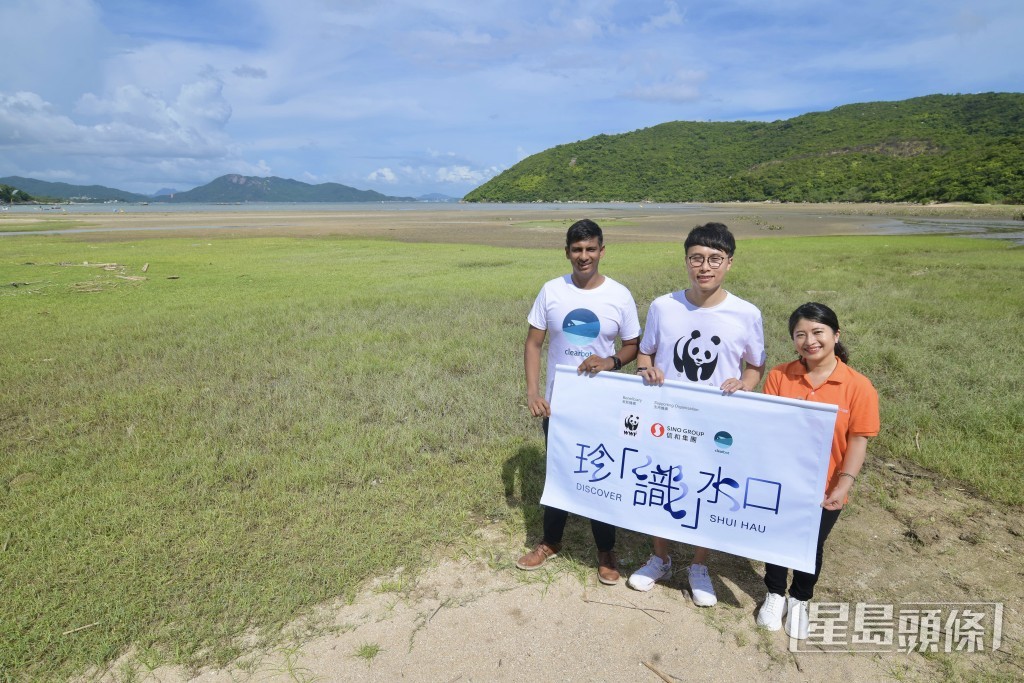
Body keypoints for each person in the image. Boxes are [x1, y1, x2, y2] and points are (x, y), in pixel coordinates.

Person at [626, 222, 766, 607]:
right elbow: (646, 351)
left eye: (714, 259)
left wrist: (745, 386)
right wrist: (644, 370)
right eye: (697, 259)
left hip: (717, 424)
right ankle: (661, 557)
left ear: (729, 263)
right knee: (660, 480)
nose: (705, 267)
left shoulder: (746, 313)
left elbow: (755, 365)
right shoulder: (662, 306)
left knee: (709, 487)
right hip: (666, 416)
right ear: (686, 261)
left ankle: (699, 565)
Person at [517, 219, 641, 585]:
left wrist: (611, 361)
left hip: (601, 405)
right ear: (567, 252)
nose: (583, 256)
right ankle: (550, 543)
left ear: (602, 251)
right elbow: (533, 344)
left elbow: (633, 345)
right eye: (576, 250)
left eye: (590, 249)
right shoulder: (552, 291)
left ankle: (605, 550)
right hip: (559, 404)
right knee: (559, 472)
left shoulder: (619, 295)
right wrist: (533, 392)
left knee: (602, 471)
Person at [755, 302, 880, 638]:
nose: (809, 340)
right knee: (776, 538)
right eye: (800, 334)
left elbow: (858, 441)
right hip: (780, 481)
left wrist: (844, 485)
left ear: (835, 335)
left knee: (812, 544)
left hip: (826, 487)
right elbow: (768, 427)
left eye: (817, 332)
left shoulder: (858, 386)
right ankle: (775, 593)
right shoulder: (780, 376)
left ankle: (800, 598)